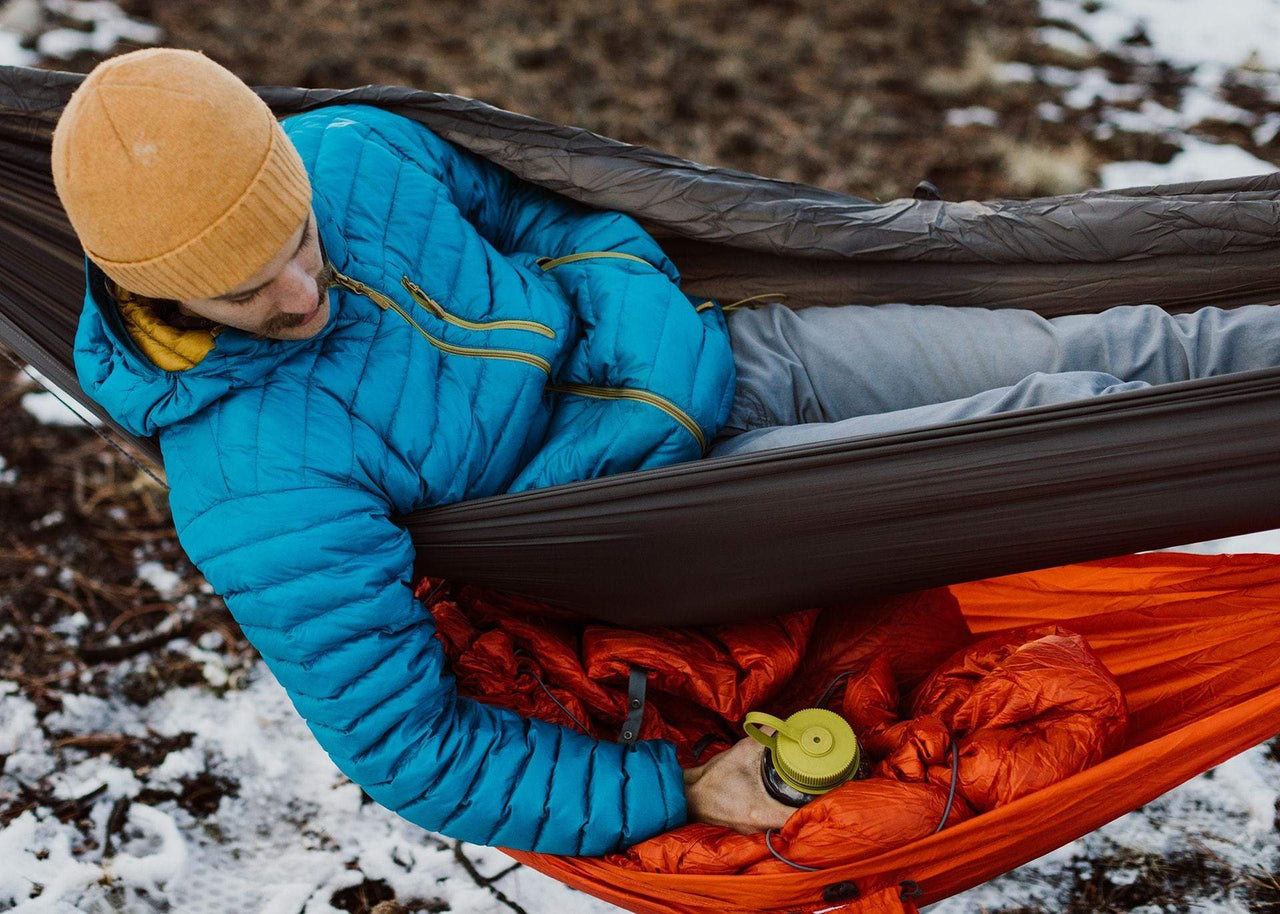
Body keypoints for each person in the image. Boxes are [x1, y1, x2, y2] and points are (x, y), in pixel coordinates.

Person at [52, 47, 1280, 857]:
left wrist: (623, 286)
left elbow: (546, 206)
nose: (299, 292)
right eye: (241, 293)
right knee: (1054, 425)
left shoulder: (356, 152)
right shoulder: (257, 478)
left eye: (298, 241)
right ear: (151, 290)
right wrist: (670, 789)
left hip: (729, 355)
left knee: (1112, 344)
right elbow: (402, 741)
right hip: (668, 519)